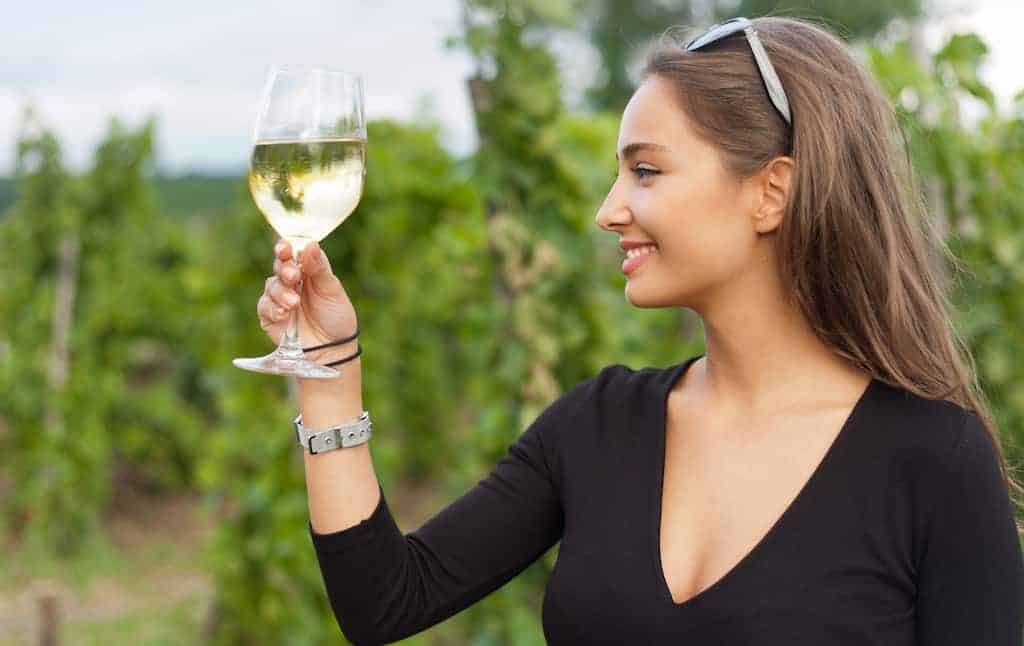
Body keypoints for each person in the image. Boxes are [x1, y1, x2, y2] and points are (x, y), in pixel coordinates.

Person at [255, 15, 1024, 645]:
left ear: (771, 194)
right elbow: (385, 601)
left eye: (646, 172)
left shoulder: (930, 459)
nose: (608, 208)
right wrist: (329, 370)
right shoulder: (597, 425)